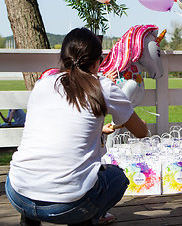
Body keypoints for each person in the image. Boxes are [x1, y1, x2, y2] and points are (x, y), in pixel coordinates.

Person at [5, 28, 148, 226]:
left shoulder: (43, 83)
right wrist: (143, 125)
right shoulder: (103, 86)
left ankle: (30, 219)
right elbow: (141, 132)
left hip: (17, 192)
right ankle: (84, 218)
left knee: (43, 180)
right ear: (98, 62)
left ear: (63, 57)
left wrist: (99, 130)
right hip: (67, 204)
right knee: (117, 178)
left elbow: (60, 129)